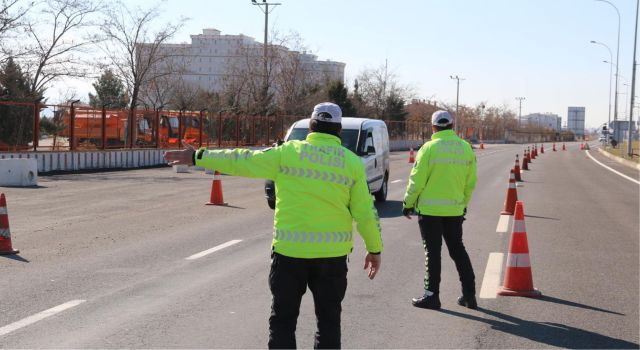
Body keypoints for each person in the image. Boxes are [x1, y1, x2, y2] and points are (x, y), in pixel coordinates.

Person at [164, 102, 383, 349]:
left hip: (289, 255)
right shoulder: (351, 163)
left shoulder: (286, 153)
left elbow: (242, 159)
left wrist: (197, 156)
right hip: (331, 258)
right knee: (329, 322)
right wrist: (374, 249)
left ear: (312, 126)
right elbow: (366, 213)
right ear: (338, 130)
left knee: (283, 322)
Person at [402, 110, 477, 310]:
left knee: (432, 253)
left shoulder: (428, 148)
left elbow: (416, 181)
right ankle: (469, 295)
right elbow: (470, 184)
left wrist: (408, 203)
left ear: (433, 127)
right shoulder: (466, 148)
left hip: (430, 212)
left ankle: (432, 296)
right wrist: (462, 205)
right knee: (458, 250)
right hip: (454, 211)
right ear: (452, 126)